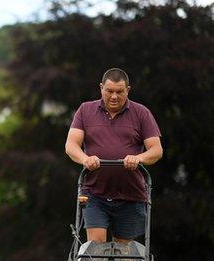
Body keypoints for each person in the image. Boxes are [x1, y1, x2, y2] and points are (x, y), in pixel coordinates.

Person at [65, 68, 163, 243]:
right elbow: (71, 145)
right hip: (94, 194)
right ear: (101, 88)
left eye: (120, 92)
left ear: (128, 90)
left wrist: (138, 158)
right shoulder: (85, 110)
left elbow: (156, 150)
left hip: (130, 195)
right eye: (109, 91)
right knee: (96, 249)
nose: (114, 96)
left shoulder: (141, 113)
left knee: (124, 256)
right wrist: (85, 159)